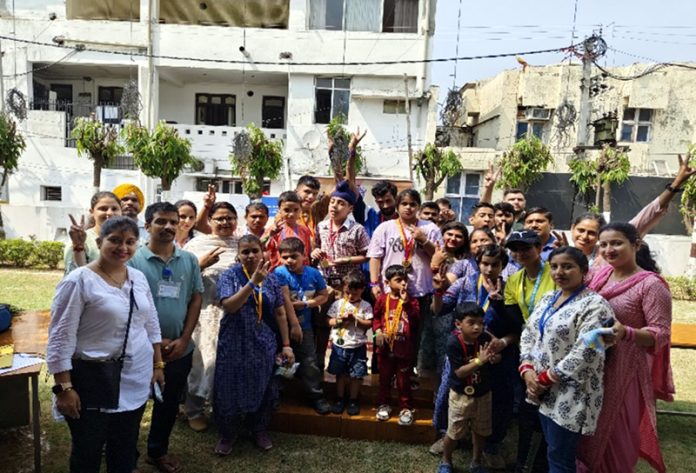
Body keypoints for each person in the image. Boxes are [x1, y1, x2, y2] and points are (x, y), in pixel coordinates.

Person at [47, 216, 163, 473]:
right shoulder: (78, 281)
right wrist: (64, 387)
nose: (123, 247)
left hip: (135, 378)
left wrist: (158, 363)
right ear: (99, 242)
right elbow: (60, 337)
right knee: (87, 451)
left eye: (131, 241)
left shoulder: (138, 278)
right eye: (115, 240)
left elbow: (151, 323)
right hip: (92, 379)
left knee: (124, 447)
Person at [577, 223, 674, 473]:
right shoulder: (600, 275)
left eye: (617, 243)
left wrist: (627, 332)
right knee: (587, 425)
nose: (609, 249)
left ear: (636, 245)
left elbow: (660, 333)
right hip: (593, 363)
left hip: (625, 370)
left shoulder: (651, 285)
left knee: (615, 431)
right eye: (604, 244)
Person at [519, 247, 614, 473]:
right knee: (549, 450)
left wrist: (544, 379)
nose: (560, 272)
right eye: (555, 267)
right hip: (539, 388)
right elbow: (529, 333)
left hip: (572, 393)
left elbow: (588, 351)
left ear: (584, 270)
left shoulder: (596, 306)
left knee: (560, 457)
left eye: (568, 266)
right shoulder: (548, 298)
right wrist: (528, 371)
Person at [129, 202, 204, 472]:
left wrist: (184, 339)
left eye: (174, 222)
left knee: (168, 403)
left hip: (178, 349)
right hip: (139, 349)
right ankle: (126, 455)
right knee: (132, 405)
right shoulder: (132, 261)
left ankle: (157, 451)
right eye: (161, 221)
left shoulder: (189, 260)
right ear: (147, 226)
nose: (169, 226)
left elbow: (196, 299)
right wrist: (152, 342)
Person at [214, 235, 296, 454]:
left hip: (262, 341)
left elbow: (280, 313)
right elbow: (230, 306)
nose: (250, 255)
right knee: (228, 387)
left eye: (254, 251)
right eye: (245, 252)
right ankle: (227, 434)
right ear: (238, 255)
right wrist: (252, 283)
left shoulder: (271, 279)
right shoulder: (229, 275)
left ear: (263, 253)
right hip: (234, 340)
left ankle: (258, 429)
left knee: (264, 386)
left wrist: (286, 344)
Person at [571, 153, 696, 266]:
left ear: (600, 236)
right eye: (581, 230)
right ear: (572, 229)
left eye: (592, 233)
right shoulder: (561, 254)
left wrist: (676, 184)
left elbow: (648, 214)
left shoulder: (607, 256)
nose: (584, 236)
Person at [368, 189, 442, 375]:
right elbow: (375, 258)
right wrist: (375, 283)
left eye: (413, 204)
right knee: (387, 330)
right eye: (404, 204)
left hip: (419, 291)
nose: (408, 208)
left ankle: (407, 375)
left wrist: (424, 240)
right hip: (390, 291)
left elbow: (439, 257)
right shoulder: (385, 228)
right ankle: (382, 374)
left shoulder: (429, 228)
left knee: (413, 335)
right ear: (398, 205)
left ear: (418, 206)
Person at [182, 201, 240, 431]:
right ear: (210, 221)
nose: (225, 222)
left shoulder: (241, 244)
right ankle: (193, 410)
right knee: (200, 361)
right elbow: (181, 276)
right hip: (203, 312)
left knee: (226, 364)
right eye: (220, 218)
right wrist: (201, 264)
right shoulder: (196, 245)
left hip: (233, 313)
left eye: (230, 218)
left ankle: (222, 409)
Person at [503, 230, 557, 473]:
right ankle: (523, 461)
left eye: (526, 247)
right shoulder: (513, 280)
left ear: (539, 246)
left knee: (550, 407)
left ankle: (544, 462)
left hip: (556, 349)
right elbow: (515, 318)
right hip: (528, 348)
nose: (520, 253)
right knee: (529, 404)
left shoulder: (555, 273)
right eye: (515, 249)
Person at [312, 180, 370, 369]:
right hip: (325, 284)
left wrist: (346, 260)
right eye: (332, 202)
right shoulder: (321, 226)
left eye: (340, 203)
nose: (334, 207)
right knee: (322, 325)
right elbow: (315, 246)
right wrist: (315, 252)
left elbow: (366, 255)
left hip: (347, 287)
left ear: (350, 208)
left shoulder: (357, 229)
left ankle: (347, 369)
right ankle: (320, 364)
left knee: (348, 325)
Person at [436, 302, 498, 473]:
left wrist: (493, 358)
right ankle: (446, 461)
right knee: (454, 432)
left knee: (481, 431)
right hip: (460, 395)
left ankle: (476, 462)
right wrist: (480, 361)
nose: (477, 327)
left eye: (481, 322)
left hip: (483, 393)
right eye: (471, 323)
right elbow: (459, 373)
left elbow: (495, 357)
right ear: (458, 324)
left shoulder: (485, 338)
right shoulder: (453, 343)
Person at [273, 237, 332, 415]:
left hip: (305, 326)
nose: (289, 260)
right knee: (279, 360)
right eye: (284, 257)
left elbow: (323, 295)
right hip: (281, 327)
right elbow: (282, 301)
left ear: (304, 255)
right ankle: (276, 395)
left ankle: (316, 396)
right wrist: (293, 323)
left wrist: (308, 304)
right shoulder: (279, 273)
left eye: (293, 256)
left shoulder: (314, 274)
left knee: (309, 361)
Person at [373, 265, 421, 425]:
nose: (403, 284)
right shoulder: (382, 300)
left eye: (405, 280)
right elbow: (376, 319)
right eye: (398, 280)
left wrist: (406, 302)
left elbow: (415, 321)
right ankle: (383, 405)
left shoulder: (412, 301)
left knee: (403, 381)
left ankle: (406, 408)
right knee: (384, 379)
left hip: (404, 350)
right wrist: (378, 332)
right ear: (387, 282)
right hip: (385, 350)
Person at [326, 270, 373, 416]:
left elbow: (369, 323)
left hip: (357, 346)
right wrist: (339, 320)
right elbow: (329, 320)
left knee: (356, 375)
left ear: (362, 290)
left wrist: (355, 320)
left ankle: (353, 399)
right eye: (347, 293)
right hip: (339, 345)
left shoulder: (366, 306)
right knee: (339, 374)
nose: (351, 296)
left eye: (355, 293)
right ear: (343, 289)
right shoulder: (338, 304)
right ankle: (339, 398)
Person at [64, 191, 122, 274]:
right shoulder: (80, 240)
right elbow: (75, 276)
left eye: (114, 209)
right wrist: (78, 246)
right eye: (103, 209)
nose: (110, 213)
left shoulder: (127, 241)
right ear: (92, 212)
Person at [264, 191, 313, 270]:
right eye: (287, 210)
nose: (291, 214)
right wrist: (270, 236)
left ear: (301, 209)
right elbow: (263, 248)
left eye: (295, 210)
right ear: (279, 209)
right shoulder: (273, 230)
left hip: (300, 273)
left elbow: (307, 253)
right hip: (280, 273)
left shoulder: (305, 230)